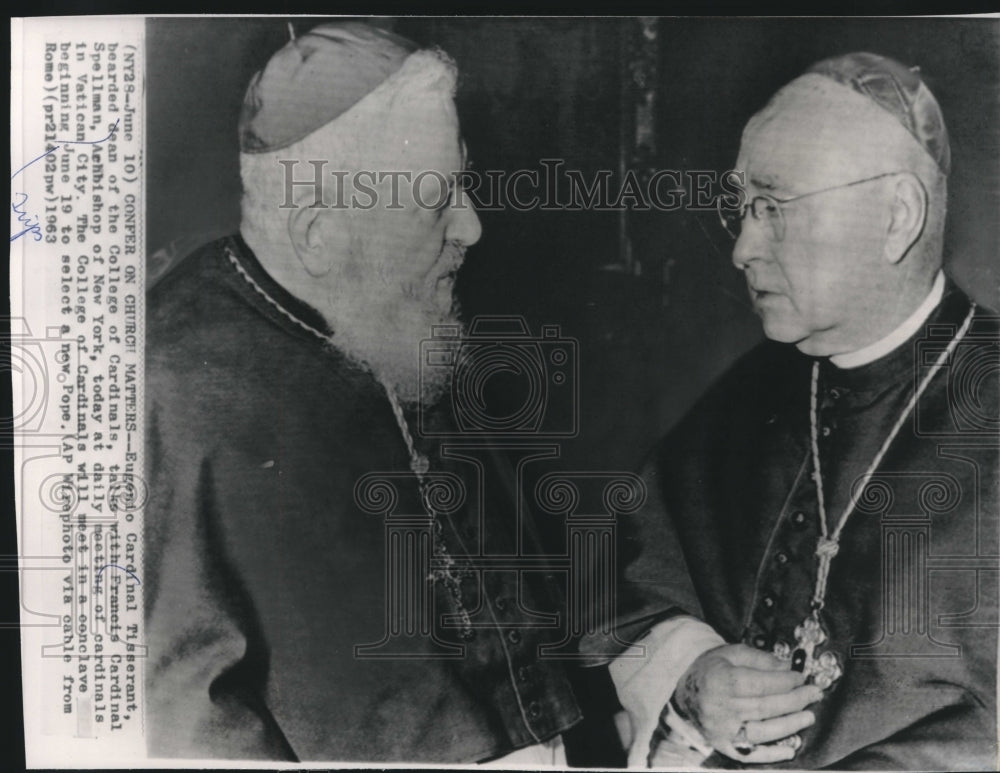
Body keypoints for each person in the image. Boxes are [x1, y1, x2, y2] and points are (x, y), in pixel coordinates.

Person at [143, 23, 582, 762]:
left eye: (464, 183)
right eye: (436, 199)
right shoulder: (178, 391)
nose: (472, 225)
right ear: (319, 233)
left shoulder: (391, 320)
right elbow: (184, 729)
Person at [586, 52, 998, 769]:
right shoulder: (753, 394)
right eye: (741, 207)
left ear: (896, 215)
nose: (743, 247)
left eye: (775, 207)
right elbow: (620, 572)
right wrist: (688, 674)